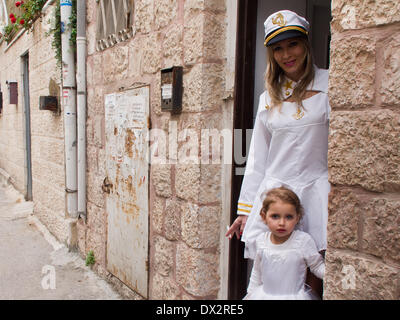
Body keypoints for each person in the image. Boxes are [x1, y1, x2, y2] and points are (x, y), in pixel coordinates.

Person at [226, 10, 330, 294]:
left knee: (313, 277)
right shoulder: (267, 97)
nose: (286, 55)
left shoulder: (330, 85)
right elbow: (257, 158)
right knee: (273, 277)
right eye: (278, 49)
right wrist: (246, 210)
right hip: (275, 197)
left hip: (315, 191)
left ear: (306, 45)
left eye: (292, 44)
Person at [243, 187, 325, 300]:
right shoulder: (262, 240)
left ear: (297, 217)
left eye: (289, 217)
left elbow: (316, 266)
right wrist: (250, 294)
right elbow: (257, 272)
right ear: (264, 216)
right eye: (275, 216)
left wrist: (335, 276)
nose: (282, 223)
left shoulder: (303, 241)